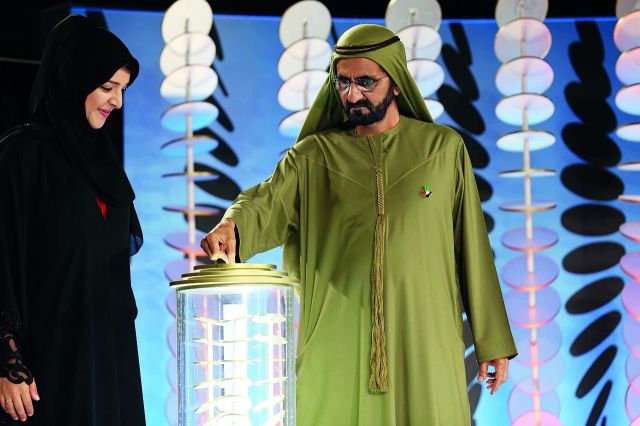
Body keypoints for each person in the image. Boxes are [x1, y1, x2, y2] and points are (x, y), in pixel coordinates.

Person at [201, 24, 517, 425]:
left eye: (365, 82)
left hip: (425, 339)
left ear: (396, 82)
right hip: (338, 340)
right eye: (342, 82)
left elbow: (471, 247)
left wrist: (492, 340)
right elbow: (265, 201)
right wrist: (233, 225)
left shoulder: (442, 150)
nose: (352, 95)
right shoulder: (314, 157)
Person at [0, 15, 145, 425]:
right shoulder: (22, 158)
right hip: (48, 367)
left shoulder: (105, 168)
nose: (117, 102)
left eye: (122, 90)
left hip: (110, 364)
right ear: (74, 79)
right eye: (107, 87)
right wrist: (7, 363)